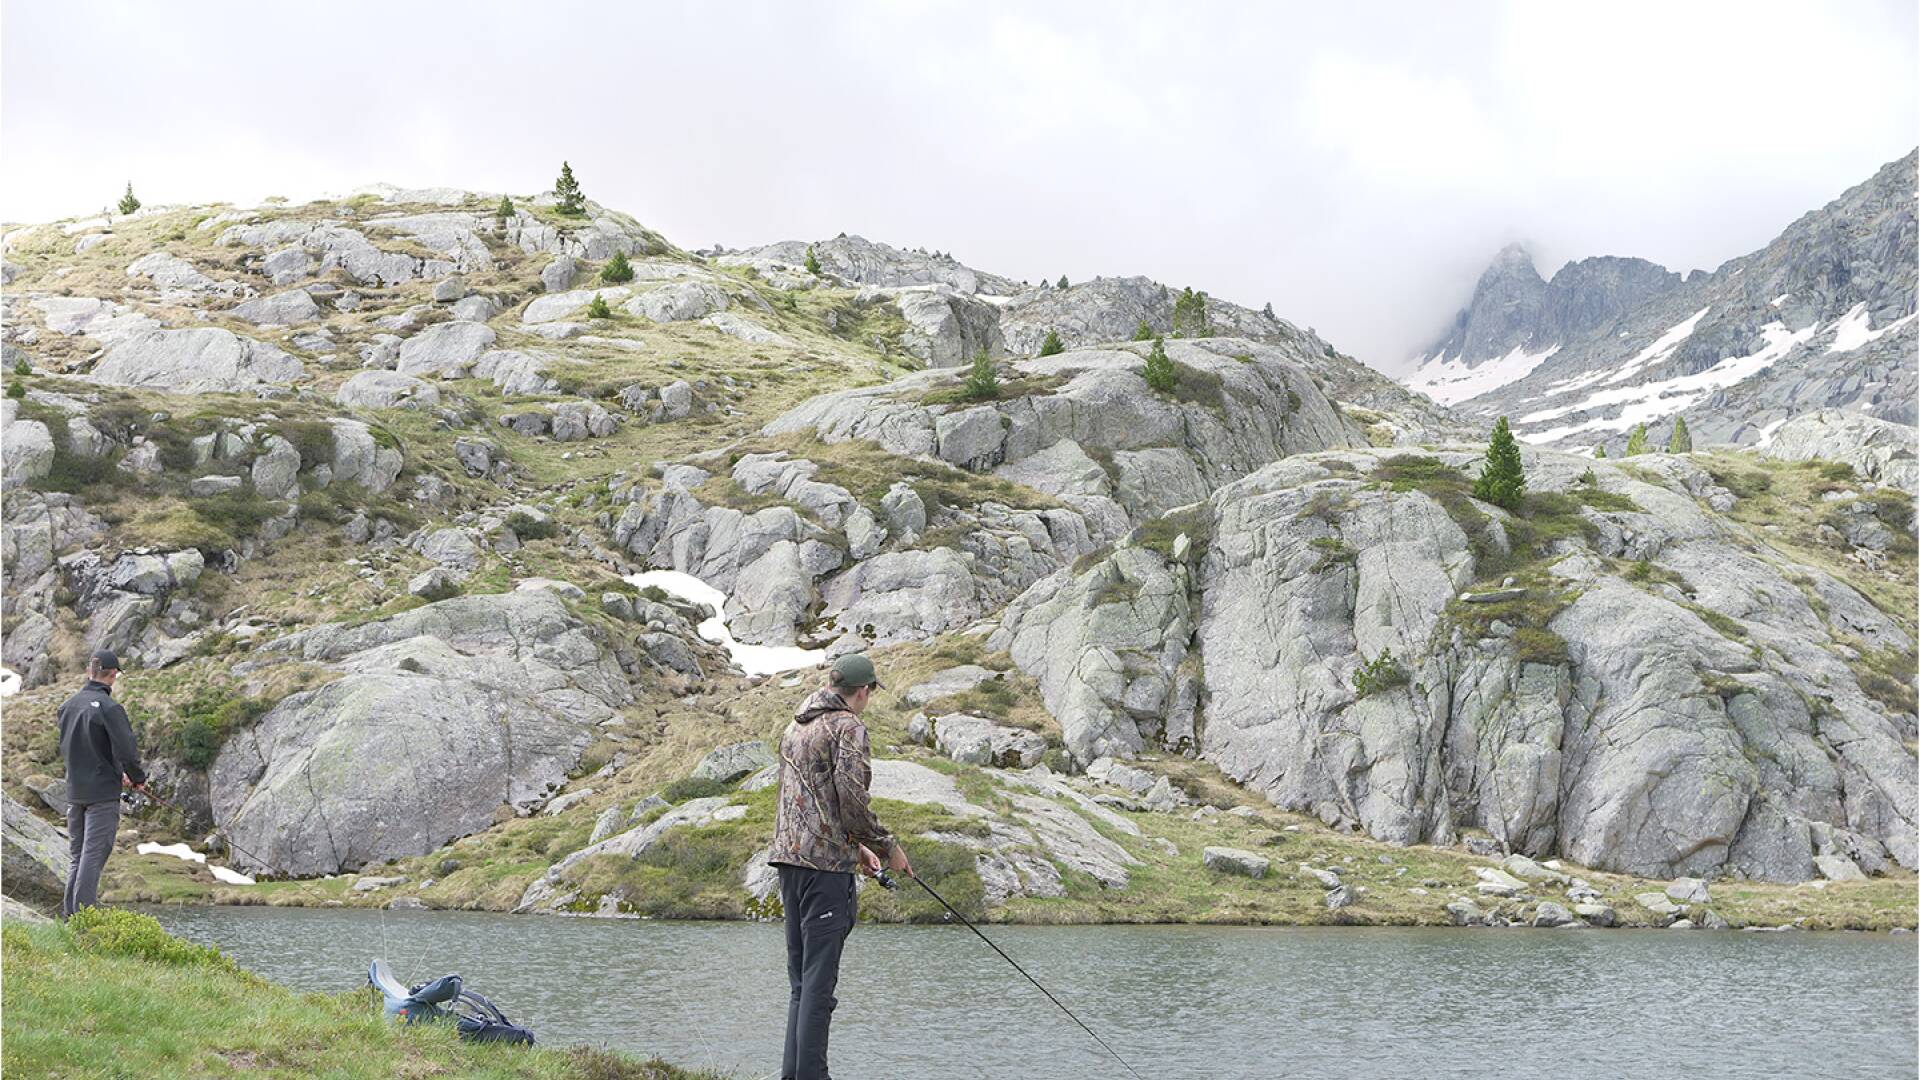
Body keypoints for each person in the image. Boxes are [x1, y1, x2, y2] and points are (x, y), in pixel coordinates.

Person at [768, 653, 912, 1080]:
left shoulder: (798, 724)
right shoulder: (849, 727)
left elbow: (814, 803)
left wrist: (855, 850)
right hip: (824, 872)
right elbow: (851, 802)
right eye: (870, 692)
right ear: (863, 690)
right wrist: (886, 847)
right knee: (818, 986)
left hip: (790, 864)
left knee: (802, 982)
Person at [56, 649, 146, 918]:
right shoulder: (110, 708)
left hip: (75, 793)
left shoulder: (67, 706)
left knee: (77, 857)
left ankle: (70, 919)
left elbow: (80, 748)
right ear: (113, 675)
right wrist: (137, 778)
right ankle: (84, 921)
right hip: (102, 796)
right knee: (93, 857)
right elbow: (127, 751)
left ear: (89, 672)